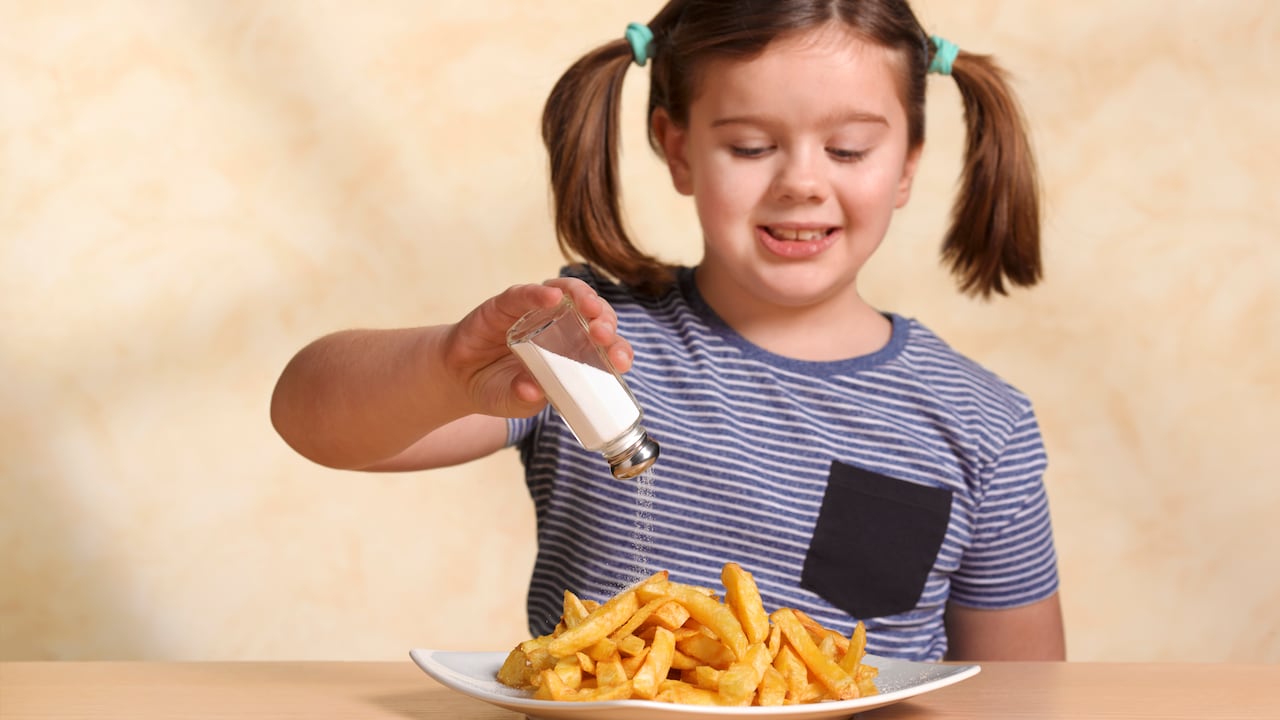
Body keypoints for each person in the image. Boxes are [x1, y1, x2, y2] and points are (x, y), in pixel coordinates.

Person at [271, 0, 1066, 662]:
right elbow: (309, 416)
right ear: (677, 149)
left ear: (907, 163)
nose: (801, 182)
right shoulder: (587, 342)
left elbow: (1024, 696)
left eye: (848, 148)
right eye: (750, 146)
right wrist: (446, 366)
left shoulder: (979, 424)